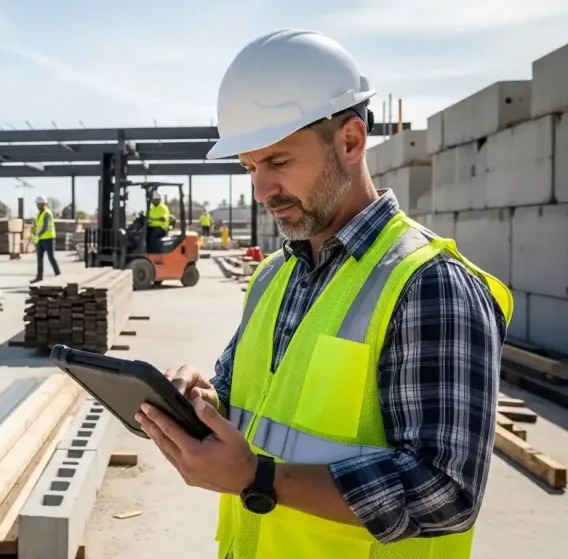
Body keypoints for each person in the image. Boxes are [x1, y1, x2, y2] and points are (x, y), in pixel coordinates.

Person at [136, 29, 511, 559]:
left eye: (278, 162)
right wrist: (203, 402)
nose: (261, 191)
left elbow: (445, 492)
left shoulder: (429, 284)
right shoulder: (274, 276)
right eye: (250, 168)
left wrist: (260, 479)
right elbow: (249, 402)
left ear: (351, 141)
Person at [31, 196, 61, 283]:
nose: (37, 206)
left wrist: (37, 235)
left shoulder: (47, 213)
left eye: (38, 204)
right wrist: (34, 232)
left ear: (43, 204)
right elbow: (37, 225)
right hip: (40, 240)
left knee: (51, 257)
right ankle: (39, 277)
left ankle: (58, 275)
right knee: (39, 259)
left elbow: (45, 227)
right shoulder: (38, 214)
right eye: (37, 204)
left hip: (48, 238)